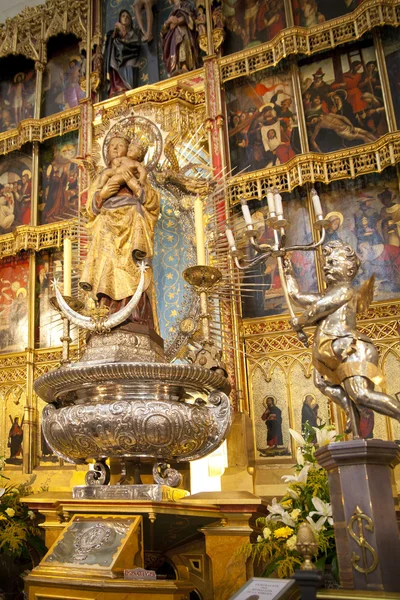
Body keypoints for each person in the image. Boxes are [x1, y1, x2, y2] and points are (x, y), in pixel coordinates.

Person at [285, 240, 400, 435]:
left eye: (333, 262)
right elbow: (296, 296)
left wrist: (301, 322)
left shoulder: (345, 290)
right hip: (330, 351)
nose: (327, 266)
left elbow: (318, 310)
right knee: (322, 382)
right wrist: (288, 273)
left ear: (348, 269)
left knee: (361, 394)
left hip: (348, 348)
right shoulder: (328, 293)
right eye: (326, 263)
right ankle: (351, 412)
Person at [80, 134, 160, 331]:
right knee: (107, 266)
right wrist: (103, 194)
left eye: (121, 146)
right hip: (107, 226)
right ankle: (107, 314)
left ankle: (134, 317)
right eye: (112, 146)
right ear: (106, 153)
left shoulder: (134, 170)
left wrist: (133, 185)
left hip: (132, 224)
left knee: (133, 268)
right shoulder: (103, 176)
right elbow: (89, 211)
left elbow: (153, 203)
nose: (116, 149)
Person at [104, 10, 141, 97]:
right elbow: (110, 44)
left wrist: (123, 32)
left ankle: (127, 88)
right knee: (112, 54)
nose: (125, 18)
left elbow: (133, 44)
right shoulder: (115, 34)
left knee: (128, 68)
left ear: (130, 21)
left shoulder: (133, 33)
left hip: (129, 55)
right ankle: (116, 88)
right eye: (123, 16)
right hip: (117, 58)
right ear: (120, 19)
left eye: (127, 17)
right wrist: (116, 34)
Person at [161, 0, 201, 77]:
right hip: (172, 37)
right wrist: (168, 21)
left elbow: (191, 17)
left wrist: (178, 21)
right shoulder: (171, 12)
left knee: (181, 36)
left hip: (184, 32)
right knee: (175, 39)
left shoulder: (187, 5)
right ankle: (176, 67)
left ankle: (184, 66)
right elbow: (163, 33)